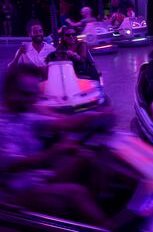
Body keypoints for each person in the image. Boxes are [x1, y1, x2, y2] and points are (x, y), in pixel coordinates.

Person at [0, 65, 112, 225]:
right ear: (10, 93)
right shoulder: (3, 124)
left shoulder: (24, 115)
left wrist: (96, 116)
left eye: (35, 94)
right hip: (15, 192)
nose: (33, 99)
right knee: (76, 193)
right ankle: (104, 225)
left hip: (38, 177)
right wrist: (55, 151)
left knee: (89, 158)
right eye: (27, 94)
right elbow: (14, 165)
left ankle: (95, 214)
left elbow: (63, 122)